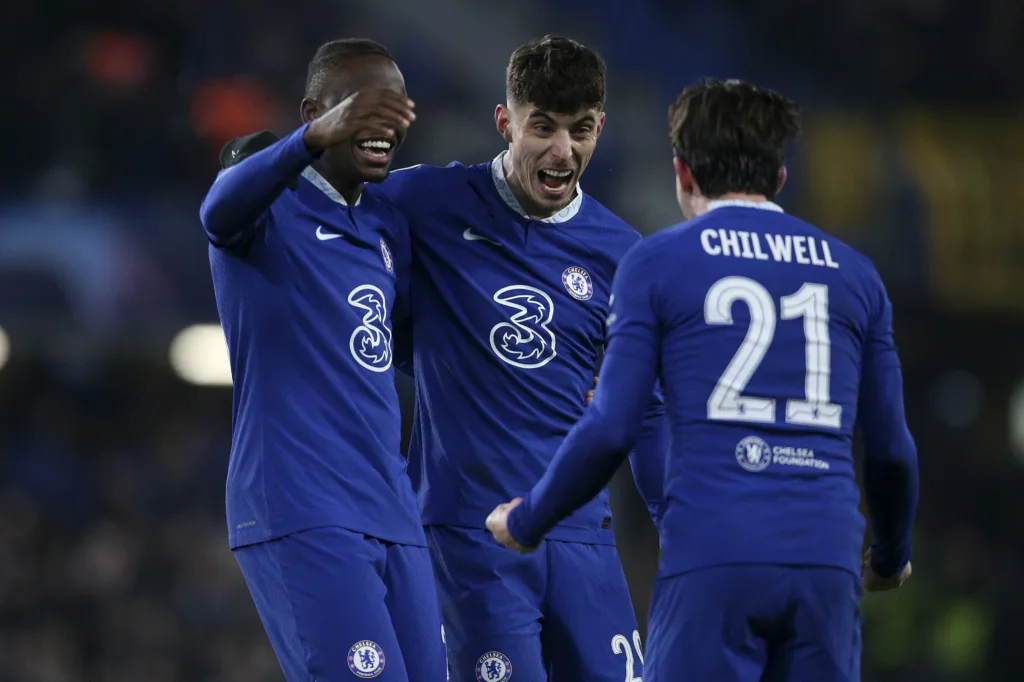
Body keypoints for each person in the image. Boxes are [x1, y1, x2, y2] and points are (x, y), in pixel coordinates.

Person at [486, 78, 919, 682]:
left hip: (715, 557)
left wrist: (528, 520)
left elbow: (612, 427)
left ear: (683, 174)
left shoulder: (657, 264)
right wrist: (891, 554)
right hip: (826, 564)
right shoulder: (856, 276)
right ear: (780, 179)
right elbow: (893, 450)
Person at [378, 35, 665, 682]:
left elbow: (646, 413)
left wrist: (675, 520)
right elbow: (326, 218)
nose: (563, 150)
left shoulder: (625, 253)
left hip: (584, 541)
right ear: (505, 122)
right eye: (544, 127)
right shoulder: (427, 203)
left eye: (580, 129)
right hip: (470, 536)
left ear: (601, 129)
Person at [198, 38, 446, 682]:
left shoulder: (382, 230)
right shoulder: (265, 216)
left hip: (392, 510)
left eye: (392, 109)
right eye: (360, 108)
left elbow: (422, 352)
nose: (380, 124)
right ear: (314, 112)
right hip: (300, 503)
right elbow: (218, 211)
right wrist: (310, 140)